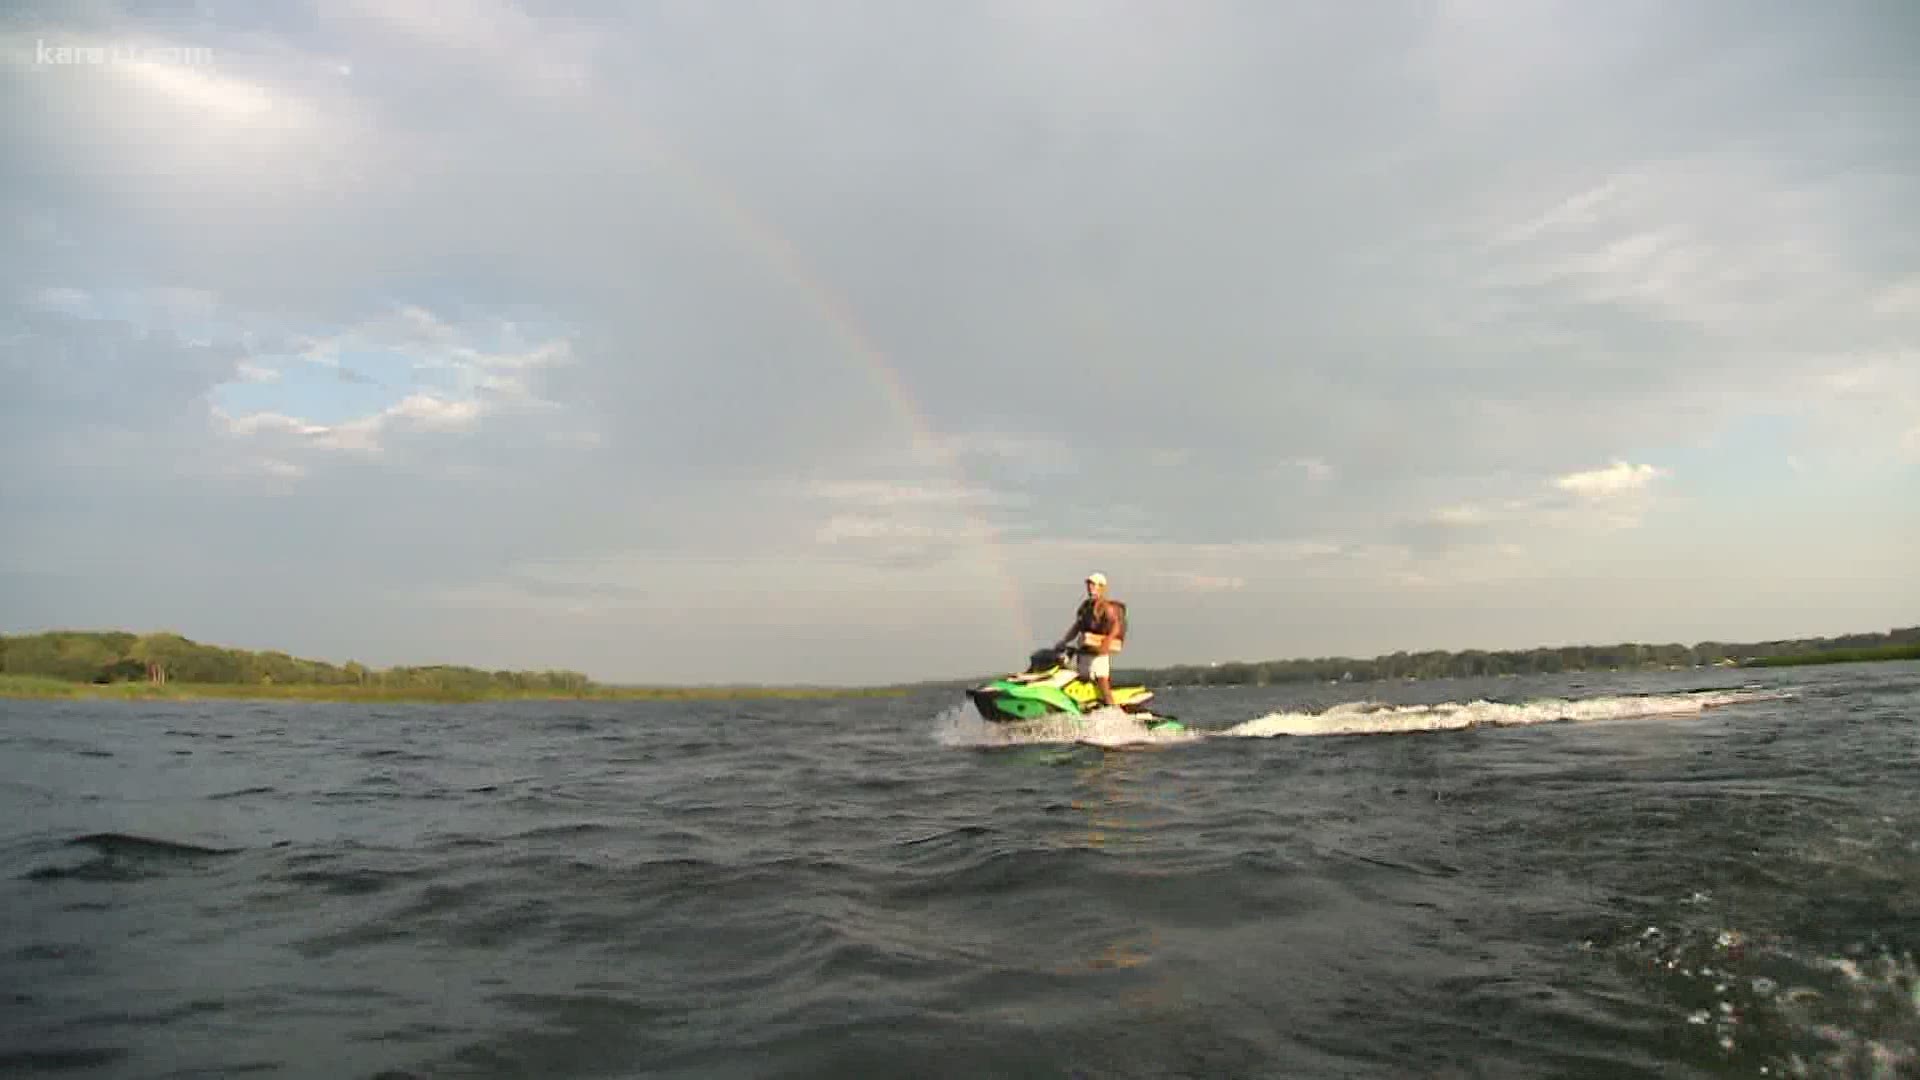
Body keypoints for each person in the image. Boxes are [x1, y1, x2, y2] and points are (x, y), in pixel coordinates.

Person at [1054, 572, 1124, 707]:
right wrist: (1064, 641)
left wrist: (1107, 641)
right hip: (1084, 653)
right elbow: (1077, 626)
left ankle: (1113, 712)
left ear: (1101, 587)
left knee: (1102, 683)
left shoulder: (1106, 607)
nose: (1089, 587)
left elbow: (1116, 626)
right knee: (1081, 683)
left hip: (1098, 654)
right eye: (1089, 584)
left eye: (1093, 584)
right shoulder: (1085, 606)